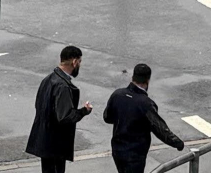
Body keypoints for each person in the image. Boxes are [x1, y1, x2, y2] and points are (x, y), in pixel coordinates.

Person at [103, 63, 185, 173]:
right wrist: (178, 143)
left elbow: (107, 117)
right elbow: (160, 129)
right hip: (135, 154)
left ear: (133, 77)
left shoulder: (117, 94)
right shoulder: (146, 104)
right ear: (147, 80)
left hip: (117, 149)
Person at [25, 44, 92, 173]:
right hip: (55, 144)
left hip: (45, 140)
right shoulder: (63, 86)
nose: (79, 65)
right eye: (79, 62)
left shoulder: (48, 79)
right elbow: (65, 116)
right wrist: (84, 111)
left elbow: (39, 105)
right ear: (74, 62)